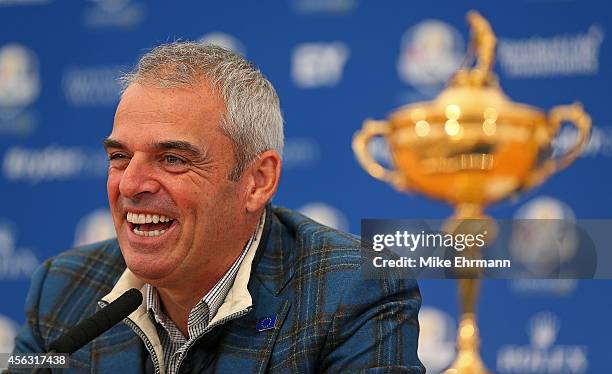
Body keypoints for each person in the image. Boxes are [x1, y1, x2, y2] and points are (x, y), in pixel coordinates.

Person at [11, 42, 423, 373]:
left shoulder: (353, 291)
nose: (131, 184)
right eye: (119, 157)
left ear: (257, 181)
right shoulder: (62, 289)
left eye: (173, 159)